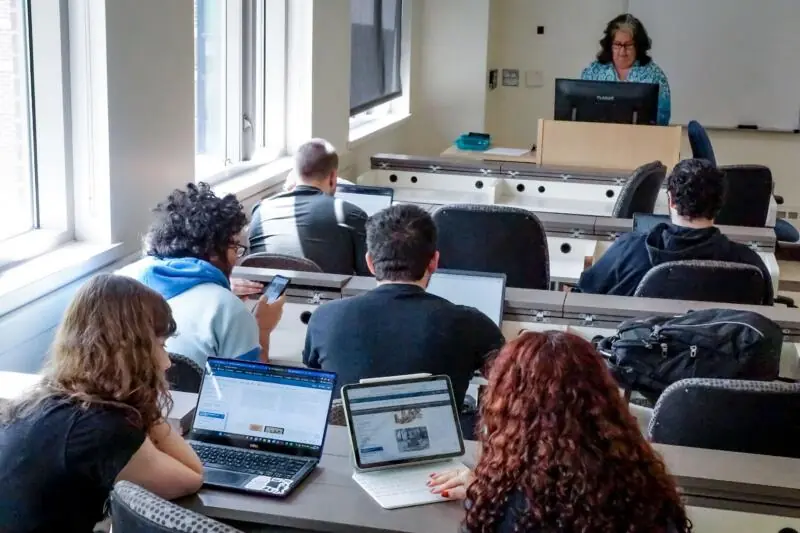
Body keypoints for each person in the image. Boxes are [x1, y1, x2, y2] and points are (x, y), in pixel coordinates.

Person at [429, 331, 691, 533]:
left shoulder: (504, 507)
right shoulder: (645, 484)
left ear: (507, 407)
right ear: (603, 397)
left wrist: (485, 492)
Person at [0, 274, 204, 532]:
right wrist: (147, 404)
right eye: (161, 346)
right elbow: (191, 477)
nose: (166, 362)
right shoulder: (100, 429)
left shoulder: (47, 398)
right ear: (129, 351)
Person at [303, 204, 505, 408]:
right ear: (434, 262)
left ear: (370, 263)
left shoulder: (324, 318)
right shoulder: (471, 324)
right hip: (437, 439)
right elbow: (510, 383)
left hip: (342, 440)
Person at [119, 182, 284, 365]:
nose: (236, 257)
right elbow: (250, 384)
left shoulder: (121, 281)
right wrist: (262, 329)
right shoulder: (227, 309)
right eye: (234, 247)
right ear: (213, 252)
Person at [577, 158, 773, 303]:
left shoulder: (629, 250)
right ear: (720, 204)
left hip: (641, 357)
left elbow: (585, 297)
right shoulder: (749, 265)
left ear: (670, 200)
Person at [248, 139, 370, 275]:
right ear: (333, 176)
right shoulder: (350, 214)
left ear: (294, 175)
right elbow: (370, 277)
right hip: (331, 296)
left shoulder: (260, 211)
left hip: (267, 296)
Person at [581, 13, 671, 126]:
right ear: (609, 45)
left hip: (641, 139)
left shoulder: (654, 74)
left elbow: (662, 118)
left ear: (638, 46)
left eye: (628, 45)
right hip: (598, 137)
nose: (622, 52)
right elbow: (581, 109)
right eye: (617, 45)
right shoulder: (593, 72)